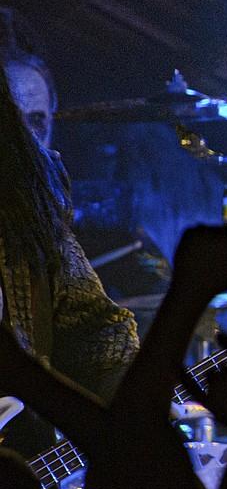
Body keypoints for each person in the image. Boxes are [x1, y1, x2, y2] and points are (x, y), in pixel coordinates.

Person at [0, 47, 138, 461]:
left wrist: (135, 397)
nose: (27, 136)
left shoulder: (29, 208)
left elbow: (98, 334)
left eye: (36, 121)